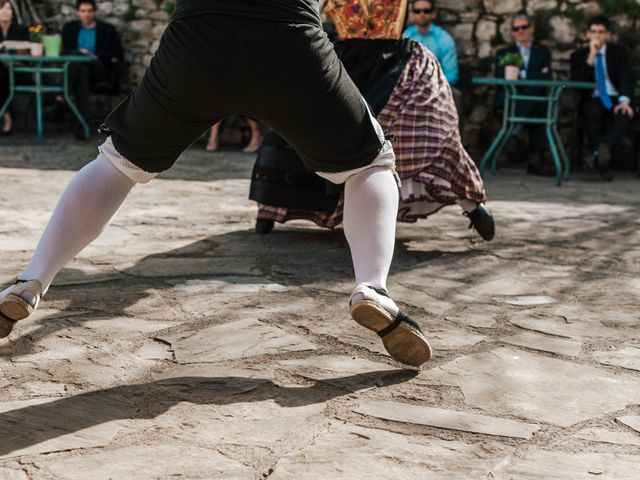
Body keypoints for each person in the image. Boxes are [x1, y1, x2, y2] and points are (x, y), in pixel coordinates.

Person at [0, 0, 433, 367]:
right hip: (288, 38)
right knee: (369, 164)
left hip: (196, 39)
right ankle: (372, 287)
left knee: (117, 164)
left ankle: (31, 281)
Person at [251, 0, 494, 242]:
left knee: (428, 129)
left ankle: (471, 203)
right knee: (298, 125)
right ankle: (270, 210)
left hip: (394, 61)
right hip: (344, 58)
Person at [570, 15, 634, 181]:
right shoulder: (579, 55)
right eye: (593, 32)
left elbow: (626, 77)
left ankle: (599, 154)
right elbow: (577, 83)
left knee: (624, 114)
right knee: (592, 112)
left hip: (614, 98)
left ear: (608, 34)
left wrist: (625, 101)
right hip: (593, 98)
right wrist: (591, 56)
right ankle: (603, 161)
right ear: (587, 34)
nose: (597, 35)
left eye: (601, 32)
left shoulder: (618, 52)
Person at [494, 12, 553, 176]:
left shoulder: (543, 54)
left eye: (524, 27)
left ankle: (517, 129)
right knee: (537, 102)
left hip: (532, 101)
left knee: (536, 96)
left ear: (531, 29)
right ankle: (535, 158)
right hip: (510, 100)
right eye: (516, 28)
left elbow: (547, 78)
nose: (520, 31)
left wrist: (522, 74)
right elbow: (500, 77)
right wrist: (535, 73)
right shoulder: (503, 53)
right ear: (512, 32)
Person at [61, 0, 123, 139]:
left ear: (94, 12)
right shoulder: (69, 28)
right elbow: (63, 52)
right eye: (83, 11)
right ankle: (84, 124)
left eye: (89, 11)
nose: (87, 14)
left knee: (79, 60)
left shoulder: (107, 30)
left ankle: (63, 91)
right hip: (79, 70)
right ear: (77, 12)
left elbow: (118, 54)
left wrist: (94, 56)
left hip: (99, 69)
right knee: (81, 69)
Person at [0, 0, 28, 134]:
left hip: (18, 70)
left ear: (13, 13)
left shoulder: (21, 29)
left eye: (9, 9)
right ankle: (6, 116)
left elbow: (27, 48)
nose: (6, 11)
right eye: (2, 8)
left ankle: (6, 118)